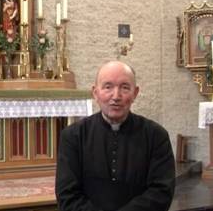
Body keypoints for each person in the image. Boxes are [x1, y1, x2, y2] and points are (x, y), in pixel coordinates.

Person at [56, 61, 175, 211]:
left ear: (135, 93)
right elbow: (67, 194)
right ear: (95, 93)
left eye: (125, 87)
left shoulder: (156, 136)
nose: (116, 96)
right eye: (108, 87)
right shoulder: (73, 136)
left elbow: (161, 192)